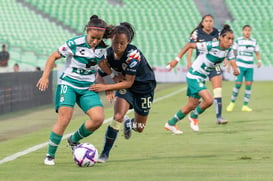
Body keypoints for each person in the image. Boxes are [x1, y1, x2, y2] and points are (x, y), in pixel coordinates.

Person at [36, 15, 112, 166]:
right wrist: (45, 76)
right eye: (93, 38)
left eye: (99, 38)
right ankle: (50, 155)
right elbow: (53, 57)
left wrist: (110, 80)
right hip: (68, 84)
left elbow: (103, 67)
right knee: (65, 118)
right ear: (87, 31)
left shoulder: (102, 48)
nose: (95, 41)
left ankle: (73, 140)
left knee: (98, 119)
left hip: (88, 87)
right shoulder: (74, 43)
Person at [89, 22, 156, 163]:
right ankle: (104, 154)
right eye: (115, 43)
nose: (118, 47)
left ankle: (129, 124)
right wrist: (106, 86)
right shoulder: (108, 54)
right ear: (111, 41)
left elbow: (129, 82)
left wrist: (107, 88)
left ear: (128, 42)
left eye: (122, 43)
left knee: (139, 127)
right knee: (118, 116)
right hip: (125, 87)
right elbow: (99, 74)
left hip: (144, 88)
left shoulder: (133, 55)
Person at [164, 25, 239, 134]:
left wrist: (235, 69)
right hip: (194, 75)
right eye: (228, 38)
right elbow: (190, 45)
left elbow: (232, 59)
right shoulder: (210, 45)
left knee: (191, 105)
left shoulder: (228, 50)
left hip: (201, 77)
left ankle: (171, 123)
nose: (231, 41)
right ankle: (194, 116)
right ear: (221, 38)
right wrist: (176, 60)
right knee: (209, 100)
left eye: (232, 39)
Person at [187, 14, 228, 125]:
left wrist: (225, 58)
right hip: (200, 67)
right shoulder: (196, 33)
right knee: (194, 98)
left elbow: (224, 45)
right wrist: (189, 61)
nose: (209, 23)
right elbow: (190, 47)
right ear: (203, 22)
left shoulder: (218, 33)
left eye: (211, 21)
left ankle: (219, 117)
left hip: (214, 65)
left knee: (218, 90)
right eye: (206, 21)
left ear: (213, 22)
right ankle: (193, 112)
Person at [226, 25, 261, 112]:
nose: (247, 32)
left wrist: (259, 60)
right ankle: (232, 103)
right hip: (240, 66)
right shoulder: (238, 40)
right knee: (238, 84)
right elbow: (233, 52)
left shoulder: (254, 41)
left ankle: (245, 105)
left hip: (250, 67)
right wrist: (230, 64)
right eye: (245, 30)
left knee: (248, 85)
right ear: (242, 31)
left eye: (249, 30)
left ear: (251, 32)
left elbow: (257, 52)